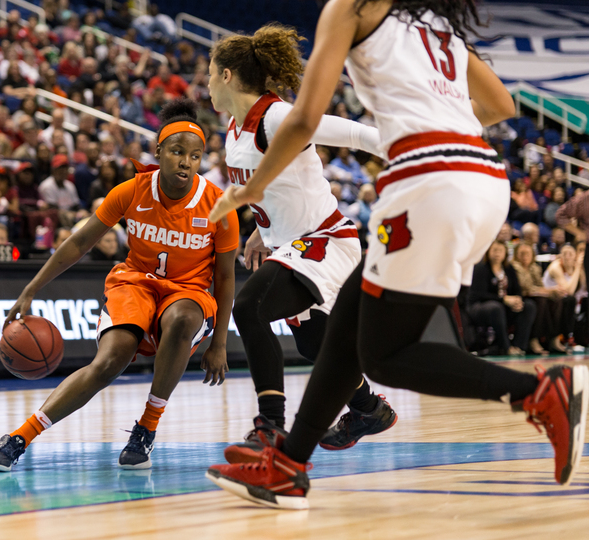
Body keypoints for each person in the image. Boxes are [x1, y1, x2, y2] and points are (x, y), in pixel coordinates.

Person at [206, 0, 588, 509]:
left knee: (382, 355)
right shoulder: (438, 26)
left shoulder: (351, 9)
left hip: (427, 183)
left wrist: (241, 193)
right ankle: (289, 464)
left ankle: (538, 392)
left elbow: (303, 120)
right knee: (344, 333)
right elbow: (500, 106)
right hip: (483, 180)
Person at [0, 99, 240, 473]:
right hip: (134, 284)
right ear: (159, 151)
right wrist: (32, 288)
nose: (186, 161)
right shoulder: (131, 190)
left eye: (195, 155)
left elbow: (226, 277)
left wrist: (220, 343)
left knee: (183, 319)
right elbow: (78, 242)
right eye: (177, 152)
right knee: (107, 362)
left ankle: (146, 429)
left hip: (189, 291)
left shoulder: (219, 206)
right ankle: (20, 436)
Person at [205, 24, 394, 458]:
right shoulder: (235, 130)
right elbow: (277, 188)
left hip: (326, 239)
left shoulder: (275, 116)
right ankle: (368, 409)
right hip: (293, 243)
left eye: (211, 74)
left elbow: (357, 135)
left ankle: (270, 426)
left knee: (249, 307)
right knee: (314, 344)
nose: (208, 83)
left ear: (228, 75)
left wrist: (413, 156)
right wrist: (261, 230)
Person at [541, 243, 584, 351]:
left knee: (577, 302)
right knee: (569, 300)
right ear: (560, 255)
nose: (567, 256)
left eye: (570, 254)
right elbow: (569, 291)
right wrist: (578, 268)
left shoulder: (575, 267)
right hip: (548, 299)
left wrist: (580, 268)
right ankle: (560, 339)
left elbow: (584, 286)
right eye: (565, 253)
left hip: (561, 299)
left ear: (575, 256)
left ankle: (578, 339)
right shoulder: (556, 266)